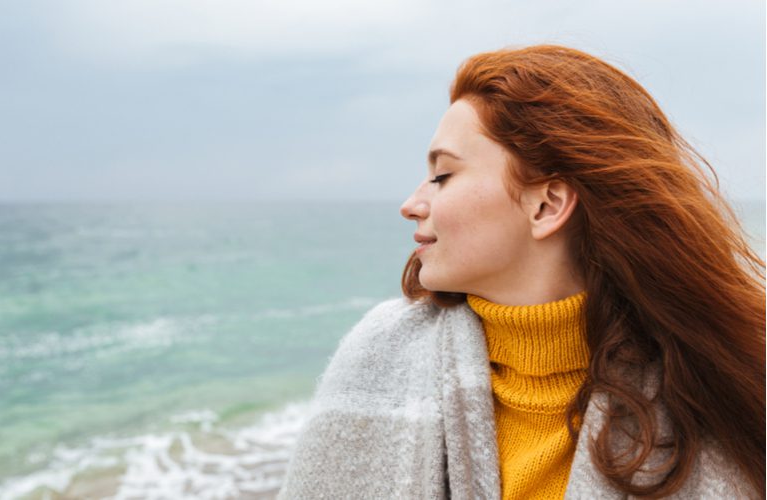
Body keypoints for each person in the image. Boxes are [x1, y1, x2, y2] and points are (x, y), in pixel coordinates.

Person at [278, 45, 765, 499]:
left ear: (547, 205)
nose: (412, 204)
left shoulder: (719, 391)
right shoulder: (377, 356)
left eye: (443, 175)